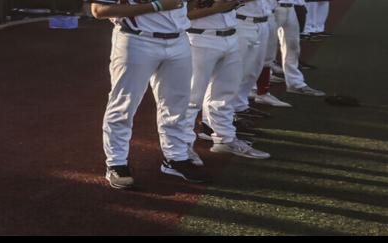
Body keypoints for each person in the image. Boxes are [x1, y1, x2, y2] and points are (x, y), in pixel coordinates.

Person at [92, 0, 209, 189]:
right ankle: (116, 162)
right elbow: (100, 10)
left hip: (179, 38)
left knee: (177, 104)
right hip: (136, 40)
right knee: (124, 103)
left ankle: (176, 157)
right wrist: (157, 6)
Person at [186, 0, 269, 160]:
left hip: (230, 35)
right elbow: (183, 15)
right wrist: (217, 8)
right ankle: (182, 148)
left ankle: (225, 139)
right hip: (200, 37)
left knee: (225, 94)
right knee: (191, 98)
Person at [270, 0, 324, 96]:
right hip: (272, 9)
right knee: (266, 48)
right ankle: (256, 86)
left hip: (291, 7)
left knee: (293, 46)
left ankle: (295, 83)